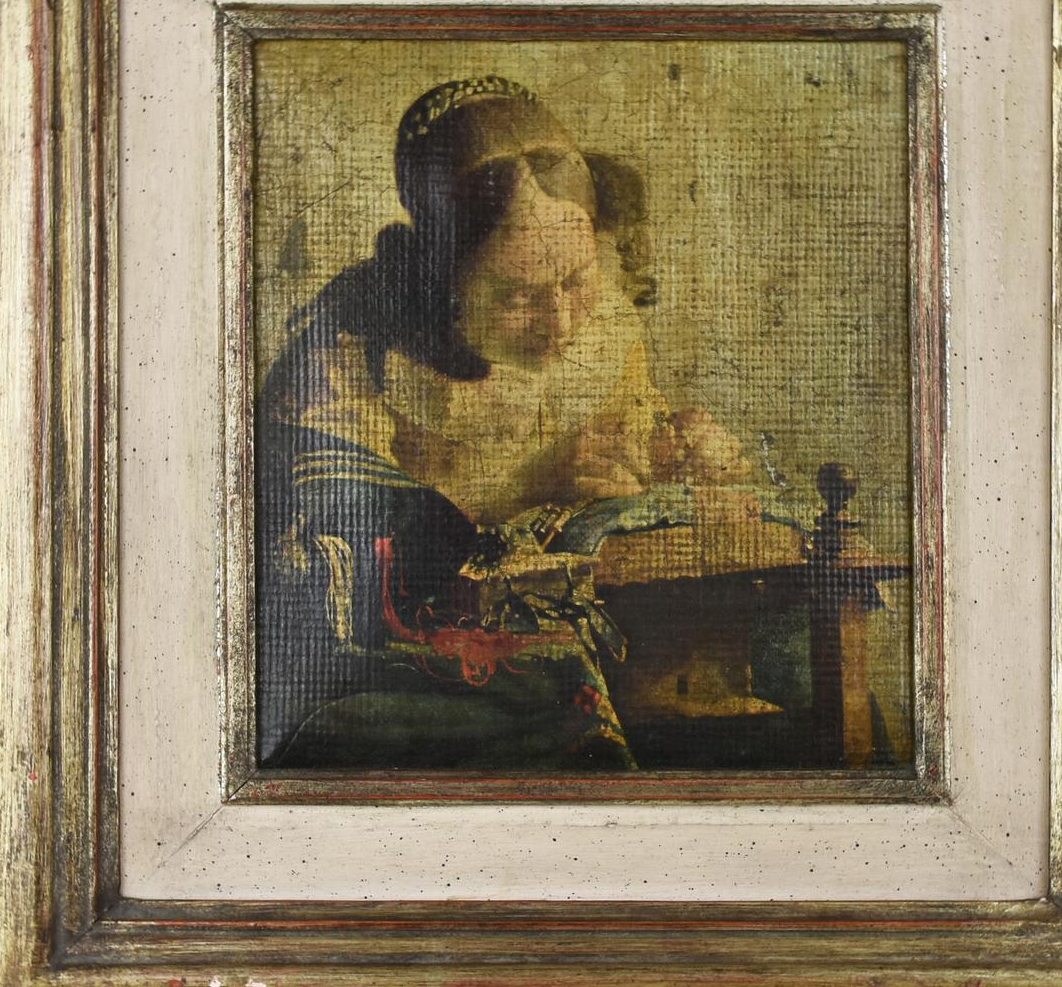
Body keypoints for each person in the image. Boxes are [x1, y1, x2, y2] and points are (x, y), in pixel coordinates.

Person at [255, 76, 750, 768]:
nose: (560, 321)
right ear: (440, 274)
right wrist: (518, 488)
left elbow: (637, 447)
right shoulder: (344, 353)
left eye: (576, 280)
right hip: (404, 668)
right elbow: (321, 567)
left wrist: (687, 454)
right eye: (516, 295)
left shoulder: (606, 333)